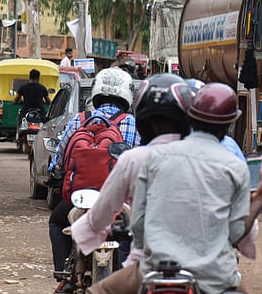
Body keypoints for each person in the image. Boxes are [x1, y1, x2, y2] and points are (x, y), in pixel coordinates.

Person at [82, 82, 262, 294]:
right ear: (229, 125)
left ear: (192, 118)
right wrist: (260, 200)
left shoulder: (155, 157)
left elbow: (137, 223)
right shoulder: (235, 166)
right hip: (213, 277)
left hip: (153, 272)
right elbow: (236, 233)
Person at [69, 73, 193, 266]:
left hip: (145, 268)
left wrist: (82, 234)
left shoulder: (133, 159)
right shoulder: (209, 161)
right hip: (199, 271)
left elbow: (102, 213)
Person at [48, 67, 140, 293]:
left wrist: (55, 175)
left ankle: (64, 273)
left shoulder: (79, 120)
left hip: (81, 197)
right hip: (119, 201)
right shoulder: (132, 123)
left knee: (57, 222)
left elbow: (59, 160)